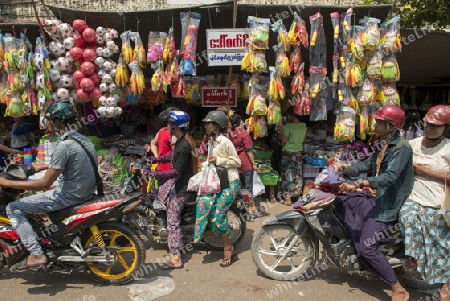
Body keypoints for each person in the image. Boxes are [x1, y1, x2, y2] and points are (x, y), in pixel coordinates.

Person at [0, 101, 97, 270]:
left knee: (13, 208)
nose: (48, 124)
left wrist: (7, 182)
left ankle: (37, 254)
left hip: (69, 195)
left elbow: (45, 183)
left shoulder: (64, 145)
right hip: (85, 191)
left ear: (58, 121)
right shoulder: (82, 139)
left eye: (50, 120)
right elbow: (73, 163)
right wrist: (44, 166)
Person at [334, 105, 413, 301]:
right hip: (374, 195)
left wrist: (359, 183)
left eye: (379, 122)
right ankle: (357, 251)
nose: (374, 125)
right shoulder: (383, 143)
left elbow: (389, 177)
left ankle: (397, 288)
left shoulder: (402, 148)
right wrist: (347, 167)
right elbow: (367, 165)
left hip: (388, 204)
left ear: (391, 126)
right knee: (340, 201)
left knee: (367, 247)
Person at [399, 105, 450, 301]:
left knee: (442, 244)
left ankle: (443, 283)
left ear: (445, 127)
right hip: (413, 198)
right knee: (407, 216)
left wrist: (427, 172)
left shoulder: (447, 148)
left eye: (436, 126)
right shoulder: (412, 144)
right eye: (428, 124)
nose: (430, 128)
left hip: (439, 203)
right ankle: (416, 262)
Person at [146, 111, 193, 270]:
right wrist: (156, 159)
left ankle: (176, 258)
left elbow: (176, 171)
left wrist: (152, 173)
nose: (167, 127)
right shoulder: (181, 141)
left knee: (172, 220)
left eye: (169, 124)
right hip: (177, 184)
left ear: (175, 126)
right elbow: (172, 157)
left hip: (181, 188)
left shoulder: (184, 145)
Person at [193, 110, 241, 267]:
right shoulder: (210, 141)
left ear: (217, 126)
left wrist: (218, 160)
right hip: (216, 182)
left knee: (218, 216)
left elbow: (237, 162)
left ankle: (228, 247)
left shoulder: (225, 142)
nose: (206, 126)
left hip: (230, 183)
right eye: (206, 123)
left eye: (209, 124)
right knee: (204, 205)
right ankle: (209, 230)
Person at [229, 113, 259, 220]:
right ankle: (250, 212)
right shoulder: (244, 134)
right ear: (240, 122)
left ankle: (241, 211)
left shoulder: (230, 134)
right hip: (245, 164)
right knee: (248, 190)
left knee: (239, 189)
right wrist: (254, 164)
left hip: (235, 164)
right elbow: (249, 151)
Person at [279, 106, 307, 205]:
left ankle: (288, 199)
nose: (288, 117)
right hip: (298, 152)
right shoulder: (303, 125)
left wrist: (280, 132)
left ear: (292, 115)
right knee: (297, 175)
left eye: (289, 115)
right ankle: (298, 196)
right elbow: (303, 139)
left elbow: (284, 140)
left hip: (288, 153)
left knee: (287, 175)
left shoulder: (288, 127)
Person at [147, 107, 179, 172]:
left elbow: (153, 143)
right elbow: (176, 156)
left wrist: (157, 157)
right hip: (169, 171)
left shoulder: (161, 131)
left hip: (160, 168)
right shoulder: (174, 135)